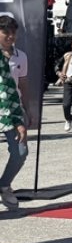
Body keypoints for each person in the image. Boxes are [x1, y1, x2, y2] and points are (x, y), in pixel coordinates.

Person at [0, 16, 28, 210]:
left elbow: (23, 85)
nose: (10, 36)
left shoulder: (21, 56)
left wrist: (28, 110)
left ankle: (4, 185)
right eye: (5, 33)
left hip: (13, 109)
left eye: (13, 33)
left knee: (20, 151)